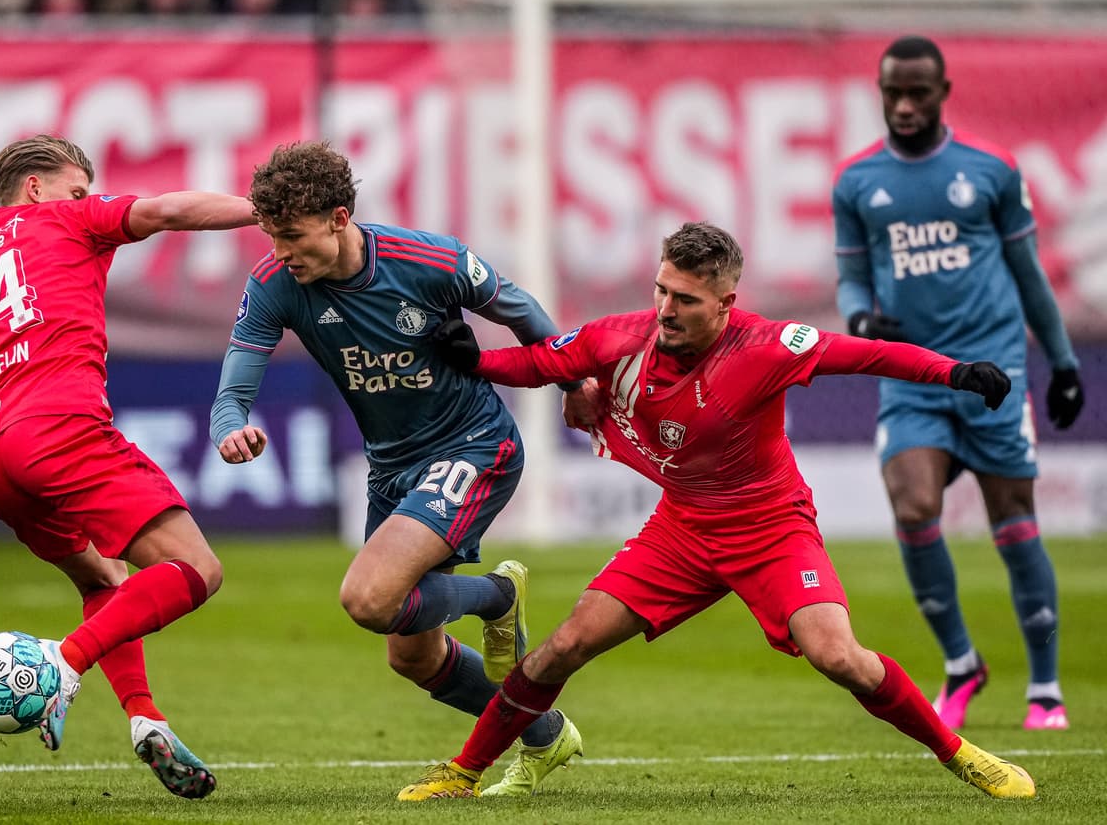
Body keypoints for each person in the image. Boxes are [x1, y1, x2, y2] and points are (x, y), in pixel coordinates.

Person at [397, 221, 1037, 802]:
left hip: (772, 528)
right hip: (681, 528)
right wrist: (474, 359)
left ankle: (962, 756)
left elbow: (868, 355)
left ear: (726, 303)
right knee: (565, 645)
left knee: (838, 656)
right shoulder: (621, 335)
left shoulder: (766, 347)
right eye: (661, 291)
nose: (665, 311)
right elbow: (543, 362)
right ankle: (463, 772)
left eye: (685, 300)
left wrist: (957, 374)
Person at [210, 140, 591, 796]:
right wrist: (229, 425)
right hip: (392, 468)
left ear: (338, 217)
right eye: (272, 237)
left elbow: (522, 311)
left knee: (368, 597)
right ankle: (544, 731)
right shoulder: (276, 284)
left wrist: (573, 382)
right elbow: (234, 388)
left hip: (474, 445)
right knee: (410, 652)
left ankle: (498, 597)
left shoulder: (426, 259)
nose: (280, 253)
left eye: (293, 236)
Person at [0, 134, 259, 799]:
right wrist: (259, 209)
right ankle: (63, 661)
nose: (84, 197)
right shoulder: (67, 218)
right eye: (76, 185)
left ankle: (144, 718)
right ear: (35, 186)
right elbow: (169, 212)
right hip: (63, 430)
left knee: (102, 577)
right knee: (198, 570)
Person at [833, 35, 1083, 732]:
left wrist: (1061, 363)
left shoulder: (992, 170)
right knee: (912, 506)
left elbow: (1030, 273)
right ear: (881, 93)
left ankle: (1046, 688)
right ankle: (961, 663)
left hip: (993, 375)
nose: (905, 105)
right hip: (912, 375)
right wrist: (858, 314)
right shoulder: (857, 182)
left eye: (918, 93)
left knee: (1015, 523)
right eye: (893, 93)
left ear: (944, 92)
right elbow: (852, 270)